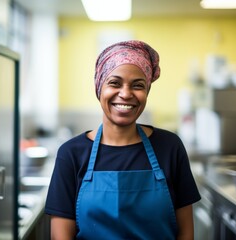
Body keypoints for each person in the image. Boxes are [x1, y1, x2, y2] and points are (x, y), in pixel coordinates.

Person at [45, 40, 201, 240]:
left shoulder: (170, 147)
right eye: (114, 83)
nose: (126, 94)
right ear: (99, 87)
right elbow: (61, 236)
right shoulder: (71, 153)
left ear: (146, 92)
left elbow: (186, 231)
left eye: (138, 85)